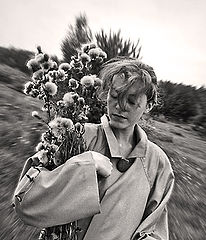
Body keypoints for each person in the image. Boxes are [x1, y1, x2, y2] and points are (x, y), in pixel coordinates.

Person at [12, 57, 175, 240]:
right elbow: (26, 202)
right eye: (114, 96)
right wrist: (83, 165)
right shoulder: (79, 136)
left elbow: (154, 228)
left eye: (131, 101)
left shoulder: (158, 164)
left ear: (149, 105)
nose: (120, 106)